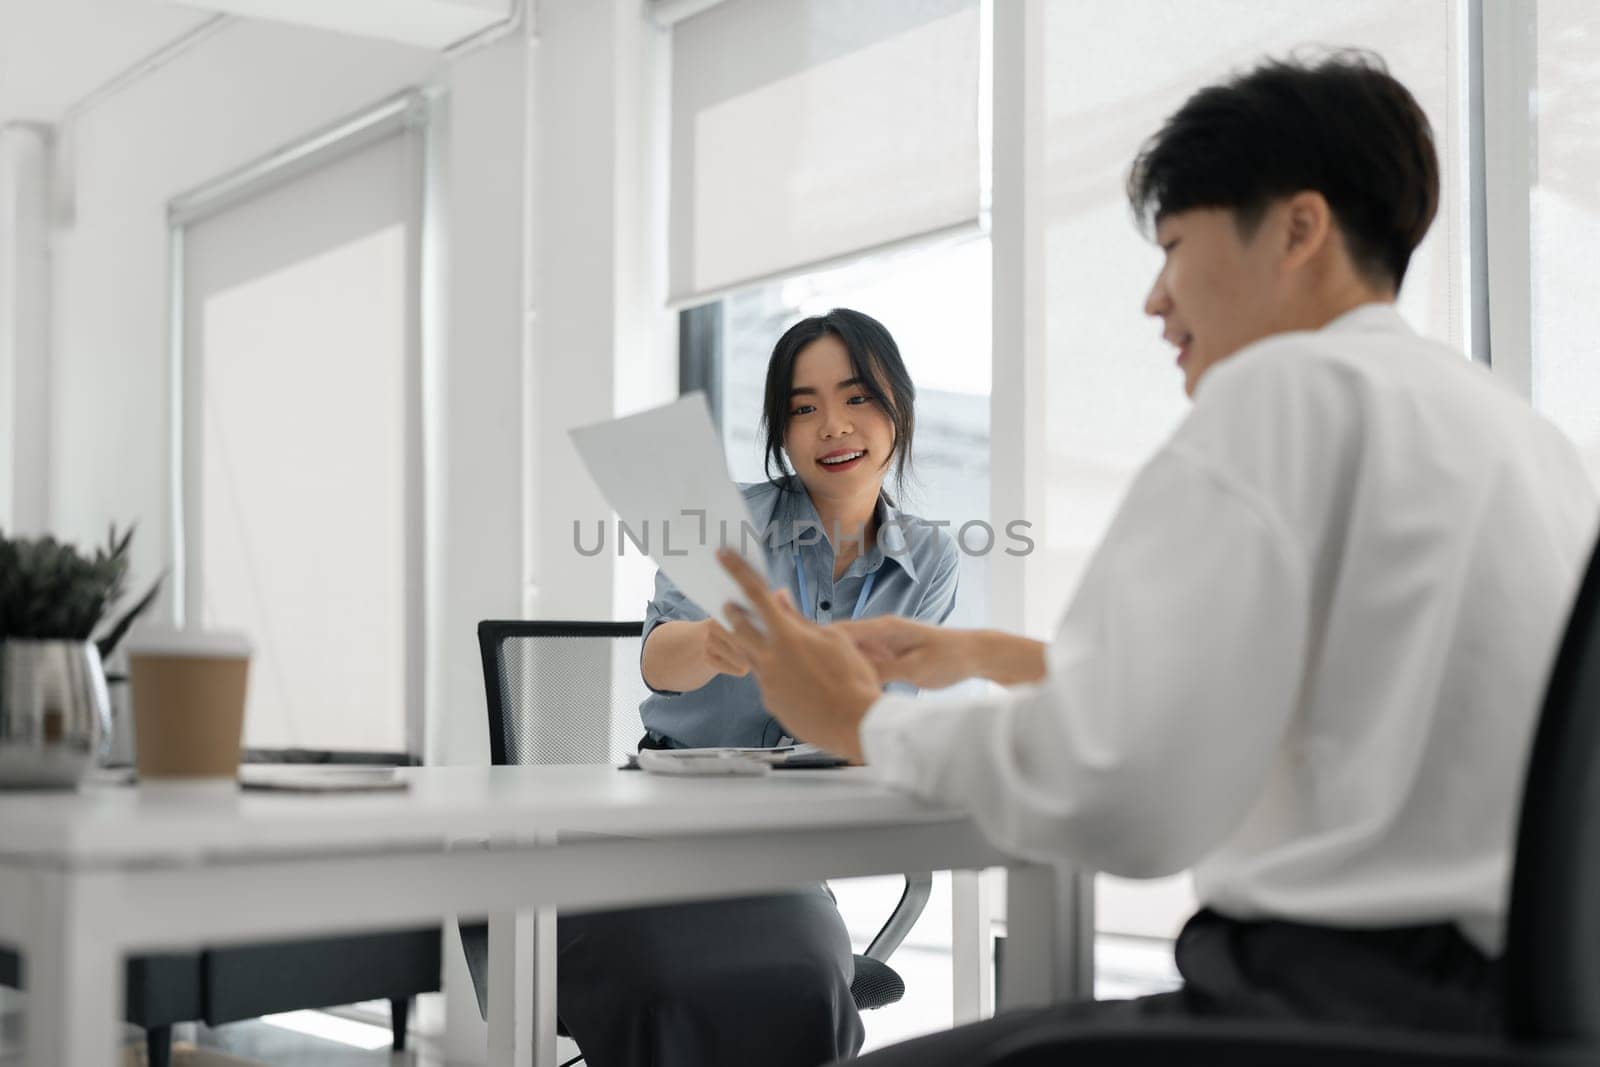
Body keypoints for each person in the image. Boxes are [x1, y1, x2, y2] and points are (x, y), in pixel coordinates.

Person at [714, 53, 1600, 1064]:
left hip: (1327, 1011)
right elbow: (1343, 692)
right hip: (1512, 1015)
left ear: (1299, 229)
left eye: (1174, 244)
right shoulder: (1513, 433)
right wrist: (997, 658)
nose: (1153, 299)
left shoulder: (1279, 394)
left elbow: (1119, 791)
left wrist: (862, 723)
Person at [555, 307, 962, 1067]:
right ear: (780, 433)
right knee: (665, 982)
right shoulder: (724, 518)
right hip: (655, 830)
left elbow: (879, 724)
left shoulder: (931, 559)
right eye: (803, 409)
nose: (833, 426)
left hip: (781, 852)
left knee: (805, 976)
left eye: (856, 398)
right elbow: (658, 658)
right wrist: (712, 640)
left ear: (897, 408)